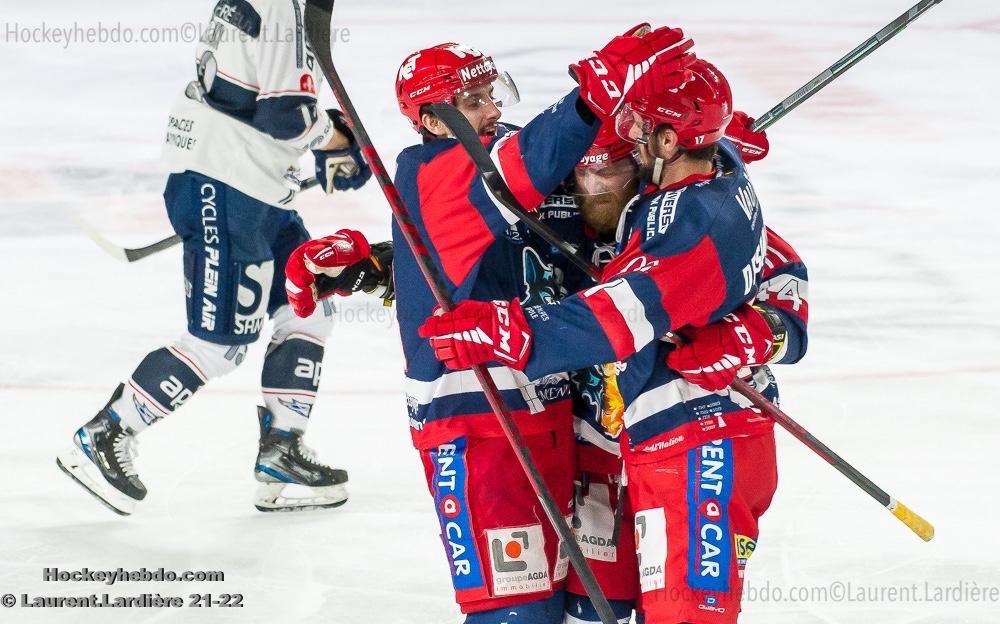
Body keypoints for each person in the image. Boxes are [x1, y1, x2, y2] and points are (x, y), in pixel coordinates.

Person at [285, 27, 696, 624]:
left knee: (598, 605)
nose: (493, 110)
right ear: (432, 120)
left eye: (491, 94)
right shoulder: (436, 171)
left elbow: (518, 239)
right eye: (473, 101)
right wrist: (588, 99)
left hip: (566, 409)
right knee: (518, 615)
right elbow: (519, 170)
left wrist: (696, 141)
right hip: (480, 427)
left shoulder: (502, 159)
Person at [419, 58, 803, 623]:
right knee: (600, 611)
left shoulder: (680, 213)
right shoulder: (562, 205)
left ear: (648, 154)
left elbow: (781, 284)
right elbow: (469, 248)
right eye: (585, 175)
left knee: (684, 614)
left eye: (616, 169)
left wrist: (757, 335)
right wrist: (380, 266)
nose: (598, 189)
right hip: (603, 447)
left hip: (688, 438)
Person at [56, 0, 372, 516]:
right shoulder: (284, 4)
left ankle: (281, 450)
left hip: (250, 181)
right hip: (225, 184)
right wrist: (337, 139)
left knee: (308, 305)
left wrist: (328, 135)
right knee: (219, 345)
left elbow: (256, 94)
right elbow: (284, 115)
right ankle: (107, 432)